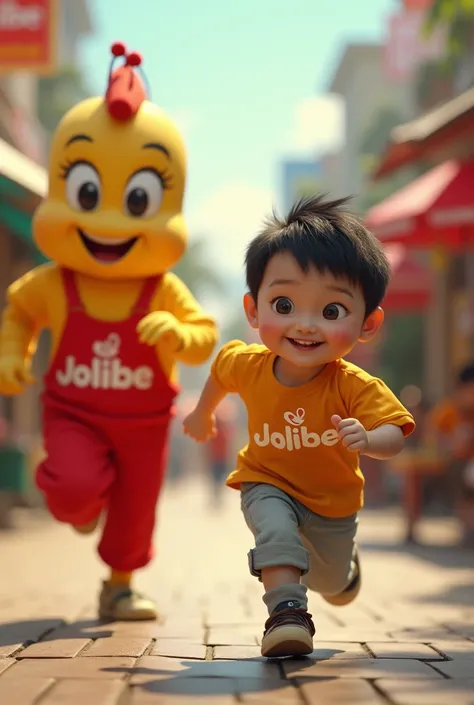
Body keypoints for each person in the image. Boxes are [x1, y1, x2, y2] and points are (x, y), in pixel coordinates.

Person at [0, 43, 218, 620]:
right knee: (72, 486)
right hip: (75, 412)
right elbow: (19, 311)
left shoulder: (162, 287)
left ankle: (119, 586)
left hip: (145, 423)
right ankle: (81, 505)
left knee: (136, 509)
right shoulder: (55, 282)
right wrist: (12, 352)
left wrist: (176, 331)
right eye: (87, 195)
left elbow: (203, 333)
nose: (109, 221)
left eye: (138, 198)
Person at [183, 195, 415, 658]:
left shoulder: (352, 385)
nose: (305, 325)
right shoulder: (246, 362)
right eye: (284, 304)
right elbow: (220, 374)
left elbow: (395, 431)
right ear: (253, 310)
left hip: (333, 504)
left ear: (367, 324)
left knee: (330, 581)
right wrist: (201, 413)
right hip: (266, 480)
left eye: (331, 311)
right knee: (275, 531)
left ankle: (344, 572)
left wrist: (369, 439)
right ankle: (287, 614)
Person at [426, 363, 474, 546]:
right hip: (453, 463)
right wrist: (451, 443)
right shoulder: (449, 410)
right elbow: (432, 437)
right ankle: (468, 530)